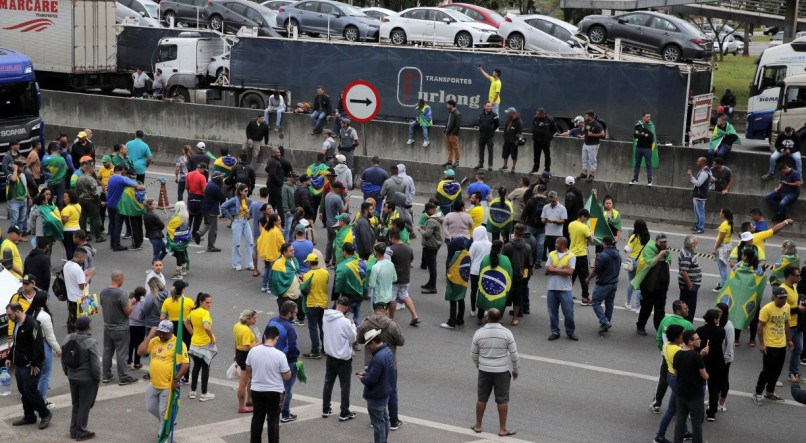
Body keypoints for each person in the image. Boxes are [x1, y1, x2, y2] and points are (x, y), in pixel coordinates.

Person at [471, 308, 519, 437]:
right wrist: (515, 369)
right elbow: (514, 355)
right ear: (500, 318)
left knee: (482, 399)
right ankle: (502, 429)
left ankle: (478, 425)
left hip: (484, 371)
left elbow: (474, 354)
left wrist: (479, 365)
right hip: (502, 372)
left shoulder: (479, 333)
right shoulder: (507, 333)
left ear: (488, 318)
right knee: (502, 400)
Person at [357, 303, 405, 431]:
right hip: (390, 362)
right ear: (386, 311)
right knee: (392, 391)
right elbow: (401, 342)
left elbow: (360, 340)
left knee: (372, 389)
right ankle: (394, 421)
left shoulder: (365, 324)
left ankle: (375, 419)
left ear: (374, 310)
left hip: (370, 362)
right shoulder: (392, 325)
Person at [5, 302, 51, 430]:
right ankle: (29, 416)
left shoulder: (33, 325)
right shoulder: (17, 324)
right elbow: (17, 343)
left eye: (10, 315)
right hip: (19, 364)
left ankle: (45, 414)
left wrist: (34, 363)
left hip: (30, 365)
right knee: (23, 391)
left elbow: (38, 345)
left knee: (30, 391)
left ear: (17, 312)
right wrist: (9, 357)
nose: (9, 317)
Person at [137, 321, 190, 433]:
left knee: (163, 412)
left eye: (164, 333)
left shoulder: (178, 344)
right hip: (154, 383)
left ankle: (162, 436)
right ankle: (168, 421)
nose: (161, 335)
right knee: (149, 407)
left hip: (167, 384)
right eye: (159, 333)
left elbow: (185, 364)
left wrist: (176, 379)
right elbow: (140, 352)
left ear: (171, 332)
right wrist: (150, 335)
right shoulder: (154, 340)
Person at [246, 325, 291, 443]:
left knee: (257, 419)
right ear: (276, 338)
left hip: (256, 390)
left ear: (264, 336)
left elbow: (248, 368)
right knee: (273, 420)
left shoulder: (253, 351)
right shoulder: (280, 355)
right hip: (274, 392)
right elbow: (287, 376)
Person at [650, 300, 693, 416]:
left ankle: (656, 403)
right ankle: (678, 408)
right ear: (678, 311)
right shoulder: (688, 325)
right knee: (681, 382)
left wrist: (662, 351)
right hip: (682, 359)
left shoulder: (665, 320)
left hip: (666, 356)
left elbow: (658, 337)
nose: (687, 309)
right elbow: (691, 343)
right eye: (685, 308)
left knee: (663, 380)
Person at [61, 315, 101, 440]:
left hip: (72, 377)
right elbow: (95, 365)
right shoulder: (91, 342)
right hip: (86, 379)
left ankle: (73, 430)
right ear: (88, 327)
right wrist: (97, 378)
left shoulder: (67, 338)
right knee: (84, 405)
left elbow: (64, 358)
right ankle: (81, 431)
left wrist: (67, 372)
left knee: (76, 404)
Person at [752, 286, 794, 404]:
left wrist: (789, 340)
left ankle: (770, 391)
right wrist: (762, 344)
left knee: (777, 370)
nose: (784, 300)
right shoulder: (767, 309)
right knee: (766, 371)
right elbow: (760, 326)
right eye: (781, 298)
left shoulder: (787, 307)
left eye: (785, 298)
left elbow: (786, 323)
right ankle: (758, 393)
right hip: (770, 345)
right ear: (774, 297)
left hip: (781, 344)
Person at [322, 296, 358, 421]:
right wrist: (353, 325)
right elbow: (353, 338)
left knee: (328, 382)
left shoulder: (325, 316)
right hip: (343, 358)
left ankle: (326, 408)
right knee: (344, 385)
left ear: (336, 303)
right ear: (347, 308)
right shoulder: (345, 322)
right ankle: (344, 411)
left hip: (330, 355)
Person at [99, 270, 138, 386]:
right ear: (120, 279)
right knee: (121, 353)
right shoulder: (121, 293)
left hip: (107, 326)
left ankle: (106, 375)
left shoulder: (103, 292)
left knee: (107, 350)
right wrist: (131, 302)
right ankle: (123, 377)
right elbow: (128, 312)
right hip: (120, 327)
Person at [358, 329, 395, 443]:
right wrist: (369, 373)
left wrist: (363, 378)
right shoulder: (387, 351)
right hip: (384, 392)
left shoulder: (378, 358)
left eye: (369, 344)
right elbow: (381, 373)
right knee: (384, 421)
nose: (368, 347)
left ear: (373, 342)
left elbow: (371, 380)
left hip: (376, 396)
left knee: (378, 425)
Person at [673, 330, 708, 443]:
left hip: (681, 393)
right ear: (690, 342)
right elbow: (705, 376)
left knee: (680, 421)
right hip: (695, 395)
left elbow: (675, 373)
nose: (700, 340)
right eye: (697, 339)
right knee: (696, 423)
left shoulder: (678, 354)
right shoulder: (696, 356)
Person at [634, 234, 672, 335]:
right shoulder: (649, 249)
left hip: (662, 287)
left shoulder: (666, 251)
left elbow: (668, 263)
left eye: (665, 242)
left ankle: (659, 329)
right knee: (646, 308)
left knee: (660, 310)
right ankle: (640, 326)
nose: (664, 244)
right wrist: (660, 255)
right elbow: (649, 264)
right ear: (656, 242)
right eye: (661, 242)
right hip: (649, 286)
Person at [185, 292, 217, 402]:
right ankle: (204, 393)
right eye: (207, 302)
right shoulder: (205, 313)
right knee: (205, 368)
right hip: (205, 345)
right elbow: (207, 327)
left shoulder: (194, 312)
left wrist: (192, 333)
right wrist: (212, 338)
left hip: (194, 344)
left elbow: (186, 321)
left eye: (210, 302)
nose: (209, 305)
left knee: (196, 367)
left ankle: (193, 391)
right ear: (201, 302)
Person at [585, 235, 620, 333]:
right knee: (609, 304)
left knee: (595, 302)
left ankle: (604, 322)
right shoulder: (618, 254)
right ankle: (606, 322)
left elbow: (596, 270)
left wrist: (588, 278)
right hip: (614, 282)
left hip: (604, 283)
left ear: (604, 243)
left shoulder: (603, 255)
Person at [160, 280, 193, 383]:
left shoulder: (167, 301)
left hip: (171, 327)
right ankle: (185, 376)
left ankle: (171, 373)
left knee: (172, 351)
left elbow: (162, 318)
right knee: (185, 351)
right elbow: (192, 317)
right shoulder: (188, 301)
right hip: (185, 328)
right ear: (183, 290)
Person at [107, 164, 146, 251]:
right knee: (118, 226)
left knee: (112, 224)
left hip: (110, 204)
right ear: (123, 170)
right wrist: (143, 187)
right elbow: (137, 186)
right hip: (118, 206)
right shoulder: (123, 178)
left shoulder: (111, 178)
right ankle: (117, 245)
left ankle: (112, 243)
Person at [696, 309, 726, 422]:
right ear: (715, 320)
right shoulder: (721, 331)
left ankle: (695, 410)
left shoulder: (699, 330)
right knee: (714, 388)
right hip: (716, 362)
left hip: (702, 361)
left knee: (699, 387)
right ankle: (711, 413)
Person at [545, 237, 577, 341]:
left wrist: (553, 269)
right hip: (552, 288)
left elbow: (570, 272)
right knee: (552, 312)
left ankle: (570, 331)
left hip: (565, 289)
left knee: (568, 313)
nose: (555, 245)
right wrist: (562, 269)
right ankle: (555, 331)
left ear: (562, 245)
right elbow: (547, 270)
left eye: (557, 244)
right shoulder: (552, 254)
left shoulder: (571, 256)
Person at [778, 266, 805, 381]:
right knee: (779, 354)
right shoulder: (782, 290)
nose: (799, 277)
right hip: (786, 326)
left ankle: (793, 374)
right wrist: (798, 309)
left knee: (798, 349)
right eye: (797, 275)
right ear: (790, 276)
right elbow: (781, 309)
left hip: (797, 325)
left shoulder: (794, 286)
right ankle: (774, 379)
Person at [300, 253, 330, 358]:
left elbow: (304, 289)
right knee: (323, 327)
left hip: (312, 304)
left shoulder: (307, 275)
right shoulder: (325, 273)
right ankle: (325, 349)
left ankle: (315, 350)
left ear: (309, 263)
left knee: (313, 328)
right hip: (323, 303)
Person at [222, 184, 256, 272]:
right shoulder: (234, 200)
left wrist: (249, 216)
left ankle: (250, 263)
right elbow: (223, 206)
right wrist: (230, 217)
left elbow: (251, 211)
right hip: (237, 221)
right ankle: (236, 264)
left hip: (245, 221)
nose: (247, 192)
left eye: (247, 191)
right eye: (245, 191)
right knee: (237, 243)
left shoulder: (248, 200)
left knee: (250, 242)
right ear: (240, 191)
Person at [195, 171, 227, 252]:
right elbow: (222, 198)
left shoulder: (210, 183)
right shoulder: (215, 187)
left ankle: (199, 233)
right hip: (212, 209)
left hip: (205, 208)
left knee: (207, 223)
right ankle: (210, 246)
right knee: (213, 229)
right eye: (221, 177)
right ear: (217, 178)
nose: (223, 179)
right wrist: (222, 187)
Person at [64, 249, 95, 334]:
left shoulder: (67, 264)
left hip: (71, 297)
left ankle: (70, 335)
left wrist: (83, 273)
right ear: (80, 256)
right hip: (81, 298)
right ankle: (82, 335)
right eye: (84, 257)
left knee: (71, 318)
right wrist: (89, 276)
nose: (85, 259)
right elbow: (82, 286)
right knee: (83, 320)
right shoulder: (77, 269)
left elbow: (73, 277)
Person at [233, 309, 258, 413]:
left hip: (239, 354)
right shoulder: (246, 331)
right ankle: (242, 406)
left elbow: (235, 341)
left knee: (250, 378)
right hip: (245, 356)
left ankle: (249, 400)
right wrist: (259, 344)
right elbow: (245, 347)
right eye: (254, 318)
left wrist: (235, 354)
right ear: (247, 319)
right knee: (243, 383)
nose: (256, 320)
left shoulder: (237, 326)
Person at [75, 162, 104, 242]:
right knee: (95, 218)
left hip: (81, 200)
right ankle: (98, 236)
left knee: (83, 218)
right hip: (91, 200)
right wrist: (99, 201)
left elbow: (76, 190)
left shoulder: (79, 178)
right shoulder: (91, 179)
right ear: (91, 170)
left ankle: (85, 236)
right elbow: (95, 192)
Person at [419, 202, 443, 293]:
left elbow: (427, 234)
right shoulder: (438, 218)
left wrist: (420, 230)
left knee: (432, 267)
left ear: (431, 210)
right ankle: (430, 283)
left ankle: (433, 287)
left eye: (427, 211)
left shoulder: (431, 221)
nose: (426, 213)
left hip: (430, 245)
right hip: (435, 244)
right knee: (432, 266)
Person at [678, 235, 702, 322]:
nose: (697, 242)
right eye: (696, 241)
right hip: (689, 285)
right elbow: (684, 271)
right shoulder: (687, 254)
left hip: (689, 284)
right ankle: (686, 326)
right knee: (689, 308)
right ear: (691, 243)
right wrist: (690, 286)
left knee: (686, 306)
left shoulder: (688, 251)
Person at [166, 201, 191, 280]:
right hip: (185, 239)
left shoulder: (177, 218)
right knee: (183, 253)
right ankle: (184, 269)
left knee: (178, 256)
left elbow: (169, 227)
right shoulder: (186, 215)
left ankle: (178, 274)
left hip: (177, 240)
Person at [711, 208, 735, 292]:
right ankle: (723, 281)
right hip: (727, 246)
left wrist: (715, 249)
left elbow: (721, 238)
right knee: (723, 266)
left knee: (722, 267)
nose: (719, 213)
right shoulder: (729, 223)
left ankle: (723, 284)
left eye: (721, 212)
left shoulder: (724, 224)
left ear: (724, 214)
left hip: (722, 247)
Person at [579, 111, 605, 182]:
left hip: (593, 145)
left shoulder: (597, 125)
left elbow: (603, 134)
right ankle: (584, 173)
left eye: (586, 116)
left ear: (590, 117)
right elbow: (585, 131)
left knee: (592, 160)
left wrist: (593, 135)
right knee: (584, 159)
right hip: (586, 143)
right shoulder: (587, 123)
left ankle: (592, 175)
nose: (585, 117)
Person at [631, 112, 656, 185]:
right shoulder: (637, 125)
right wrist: (644, 135)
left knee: (649, 164)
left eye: (649, 117)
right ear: (643, 117)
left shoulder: (651, 126)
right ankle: (635, 179)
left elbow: (651, 136)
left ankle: (649, 181)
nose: (649, 118)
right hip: (639, 148)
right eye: (647, 117)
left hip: (647, 149)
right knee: (637, 164)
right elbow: (635, 135)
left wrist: (641, 134)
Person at [541, 190, 566, 258]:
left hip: (557, 234)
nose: (552, 203)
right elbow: (542, 219)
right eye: (550, 201)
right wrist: (545, 221)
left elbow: (563, 220)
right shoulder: (545, 207)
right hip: (548, 233)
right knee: (551, 251)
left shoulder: (562, 208)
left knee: (558, 251)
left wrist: (554, 221)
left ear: (557, 198)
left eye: (553, 201)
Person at [688, 157, 710, 234]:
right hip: (697, 194)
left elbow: (698, 183)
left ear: (702, 163)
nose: (696, 163)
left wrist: (691, 176)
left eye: (698, 161)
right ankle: (698, 225)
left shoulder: (704, 173)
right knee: (697, 211)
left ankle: (701, 228)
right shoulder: (703, 171)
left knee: (700, 212)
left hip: (700, 195)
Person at [531, 108, 557, 174]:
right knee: (536, 155)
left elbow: (554, 129)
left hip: (545, 141)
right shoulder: (535, 118)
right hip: (537, 140)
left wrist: (549, 136)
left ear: (542, 114)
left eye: (538, 114)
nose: (537, 115)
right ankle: (535, 168)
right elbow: (534, 127)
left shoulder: (549, 119)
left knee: (547, 155)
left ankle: (547, 169)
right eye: (536, 114)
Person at [476, 102, 499, 171]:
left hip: (489, 137)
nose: (489, 107)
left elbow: (497, 125)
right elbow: (480, 123)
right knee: (481, 151)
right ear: (484, 106)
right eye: (487, 106)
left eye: (490, 106)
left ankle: (490, 165)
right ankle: (481, 164)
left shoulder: (494, 115)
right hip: (482, 136)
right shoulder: (480, 115)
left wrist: (492, 131)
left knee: (490, 151)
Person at [500, 107, 523, 173]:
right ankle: (505, 165)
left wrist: (516, 142)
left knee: (514, 155)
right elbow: (505, 130)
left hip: (513, 142)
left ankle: (513, 167)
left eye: (508, 113)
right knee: (505, 154)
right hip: (507, 141)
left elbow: (519, 133)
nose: (507, 114)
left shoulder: (519, 122)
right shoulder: (508, 120)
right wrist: (504, 137)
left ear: (512, 113)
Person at [444, 99, 462, 168]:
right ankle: (449, 161)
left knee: (456, 148)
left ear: (451, 105)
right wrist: (445, 130)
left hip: (453, 134)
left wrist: (453, 133)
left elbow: (457, 125)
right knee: (449, 148)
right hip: (447, 133)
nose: (447, 106)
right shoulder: (451, 113)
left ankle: (457, 162)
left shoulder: (457, 113)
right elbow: (448, 123)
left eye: (448, 105)